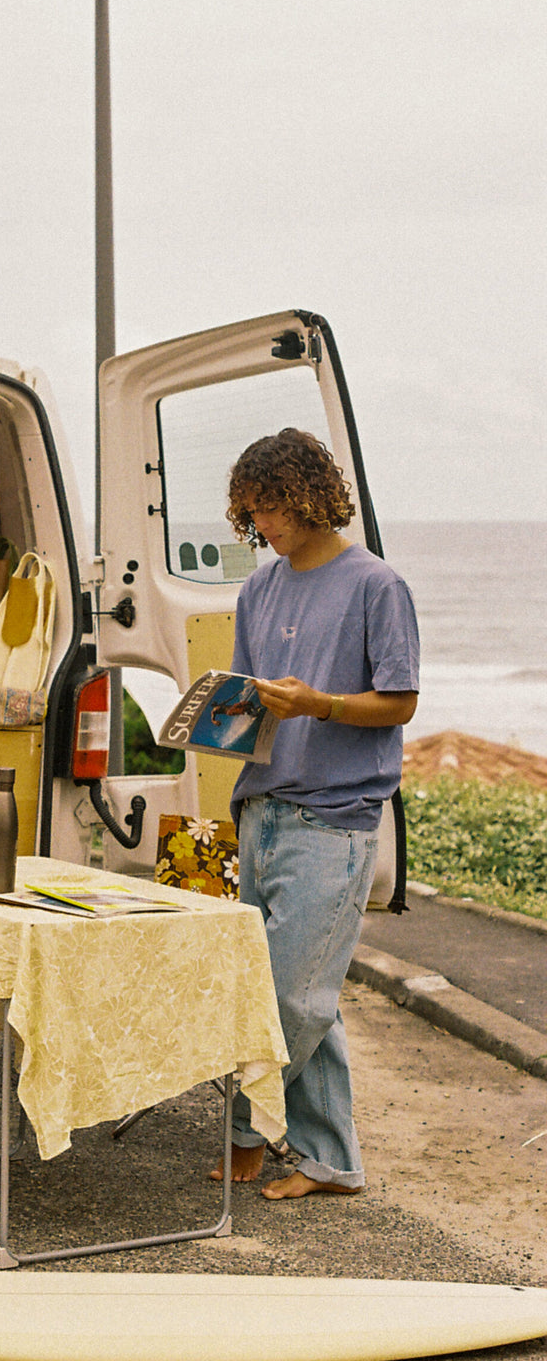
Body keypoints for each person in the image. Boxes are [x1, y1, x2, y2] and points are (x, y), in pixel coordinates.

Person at [212, 428, 420, 1201]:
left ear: (308, 493)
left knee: (293, 998)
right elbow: (248, 703)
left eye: (269, 506)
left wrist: (320, 704)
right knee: (306, 994)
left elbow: (400, 700)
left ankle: (242, 1131)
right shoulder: (257, 591)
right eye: (251, 511)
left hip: (334, 819)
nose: (261, 525)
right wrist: (211, 718)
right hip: (260, 808)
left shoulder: (376, 585)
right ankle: (331, 1159)